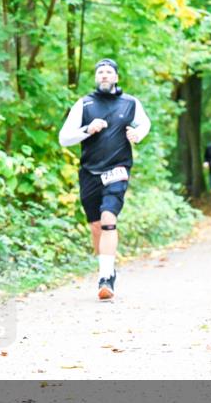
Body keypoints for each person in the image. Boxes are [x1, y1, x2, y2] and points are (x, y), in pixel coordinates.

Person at [58, 58, 151, 300]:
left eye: (109, 72)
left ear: (116, 77)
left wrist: (137, 133)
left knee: (109, 219)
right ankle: (107, 267)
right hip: (89, 172)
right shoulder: (84, 104)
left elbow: (145, 123)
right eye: (101, 72)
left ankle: (105, 277)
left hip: (117, 170)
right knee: (97, 226)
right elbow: (64, 138)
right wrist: (87, 129)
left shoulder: (130, 103)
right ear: (96, 77)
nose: (105, 75)